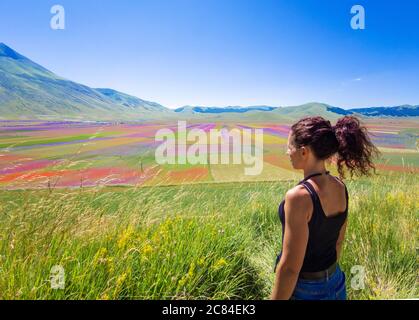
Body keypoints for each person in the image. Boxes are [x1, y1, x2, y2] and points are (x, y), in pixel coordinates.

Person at [271, 115, 381, 300]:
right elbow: (338, 243)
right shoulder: (340, 186)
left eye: (290, 147)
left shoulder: (298, 197)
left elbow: (290, 268)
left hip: (306, 290)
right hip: (336, 282)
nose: (287, 152)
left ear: (304, 152)